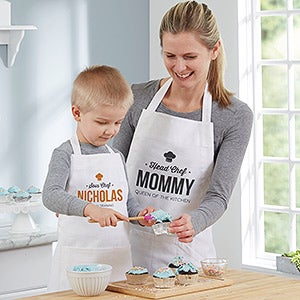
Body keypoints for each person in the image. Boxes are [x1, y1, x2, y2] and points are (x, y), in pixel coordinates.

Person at [112, 1, 253, 273]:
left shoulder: (234, 116)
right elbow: (113, 168)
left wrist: (195, 221)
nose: (179, 67)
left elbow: (219, 196)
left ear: (214, 50)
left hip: (186, 253)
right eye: (170, 56)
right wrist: (134, 212)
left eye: (189, 57)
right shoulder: (138, 98)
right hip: (126, 248)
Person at [42, 65, 154, 291]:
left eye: (117, 123)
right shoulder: (65, 154)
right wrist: (91, 209)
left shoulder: (116, 157)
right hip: (77, 261)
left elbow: (127, 202)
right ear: (77, 113)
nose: (111, 131)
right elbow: (50, 196)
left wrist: (140, 215)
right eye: (102, 122)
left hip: (117, 261)